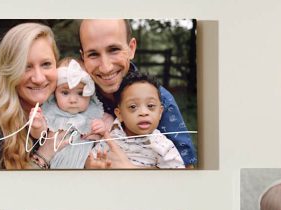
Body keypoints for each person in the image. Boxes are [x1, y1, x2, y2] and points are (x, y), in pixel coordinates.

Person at [78, 19, 197, 168]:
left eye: (114, 49)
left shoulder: (159, 100)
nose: (106, 67)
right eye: (93, 54)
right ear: (83, 57)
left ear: (131, 48)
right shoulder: (77, 94)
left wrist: (132, 171)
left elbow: (186, 172)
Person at [0, 22, 59, 170]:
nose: (38, 78)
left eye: (46, 64)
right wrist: (45, 153)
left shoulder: (63, 108)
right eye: (26, 67)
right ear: (9, 71)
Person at [40, 57, 112, 170]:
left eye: (80, 93)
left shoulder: (96, 114)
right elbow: (39, 133)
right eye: (65, 92)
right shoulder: (51, 112)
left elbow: (112, 132)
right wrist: (36, 126)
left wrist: (103, 130)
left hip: (84, 168)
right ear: (55, 93)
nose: (73, 100)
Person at [105, 74, 185, 169]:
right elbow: (92, 161)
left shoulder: (163, 145)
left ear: (160, 112)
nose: (143, 113)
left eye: (150, 106)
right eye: (133, 107)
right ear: (119, 114)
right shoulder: (112, 136)